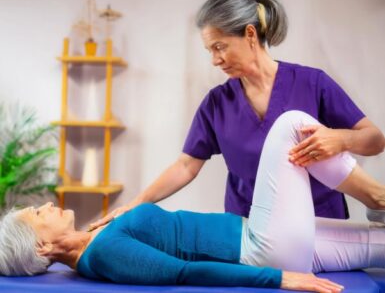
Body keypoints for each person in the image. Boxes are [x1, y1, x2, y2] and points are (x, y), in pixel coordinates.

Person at [90, 0, 385, 231]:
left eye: (220, 47)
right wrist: (137, 203)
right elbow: (185, 166)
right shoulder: (217, 103)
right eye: (210, 51)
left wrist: (339, 139)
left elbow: (374, 139)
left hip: (321, 223)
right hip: (251, 228)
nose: (215, 60)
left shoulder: (311, 82)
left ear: (250, 34)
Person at [1, 111, 385, 293]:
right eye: (37, 214)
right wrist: (280, 279)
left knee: (378, 241)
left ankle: (380, 207)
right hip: (262, 249)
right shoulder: (104, 254)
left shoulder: (94, 241)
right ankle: (379, 196)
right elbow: (184, 272)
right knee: (292, 125)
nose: (47, 205)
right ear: (43, 246)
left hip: (265, 238)